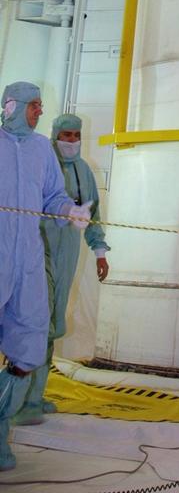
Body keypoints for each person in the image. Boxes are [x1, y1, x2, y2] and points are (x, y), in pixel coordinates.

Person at [0, 83, 90, 470]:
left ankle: (1, 428)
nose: (39, 112)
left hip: (28, 261)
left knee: (30, 345)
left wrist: (69, 210)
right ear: (12, 106)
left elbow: (52, 194)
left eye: (40, 106)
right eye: (34, 106)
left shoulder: (40, 149)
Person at [16, 113, 110, 425]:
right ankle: (19, 399)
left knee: (53, 324)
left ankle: (34, 396)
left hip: (66, 258)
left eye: (75, 135)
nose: (70, 141)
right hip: (36, 253)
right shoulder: (42, 164)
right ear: (54, 135)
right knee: (34, 322)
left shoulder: (84, 171)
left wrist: (99, 251)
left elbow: (92, 213)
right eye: (65, 135)